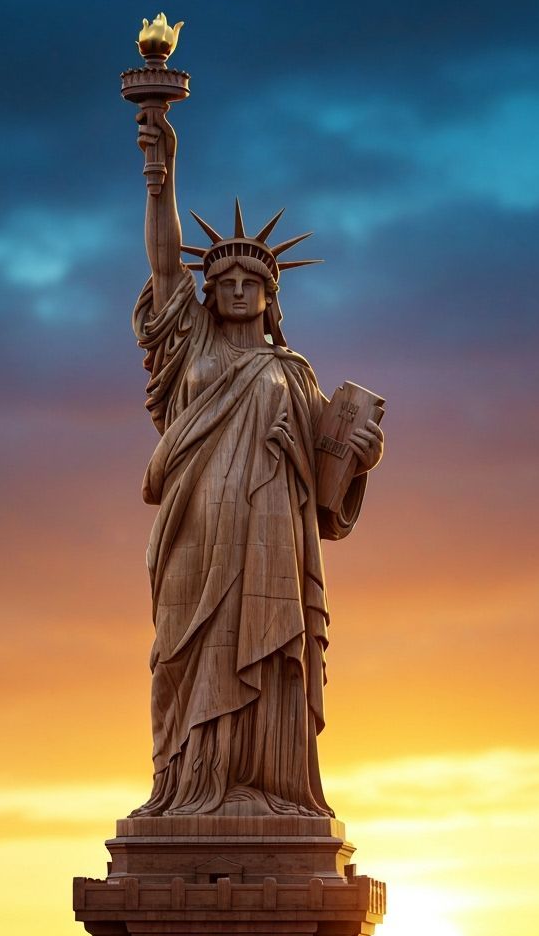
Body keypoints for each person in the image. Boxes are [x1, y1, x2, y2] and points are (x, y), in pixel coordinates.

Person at [129, 107, 383, 818]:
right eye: (225, 281)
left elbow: (327, 482)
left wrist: (361, 454)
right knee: (182, 650)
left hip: (272, 532)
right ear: (207, 296)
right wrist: (160, 171)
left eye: (253, 282)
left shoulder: (292, 372)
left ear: (272, 299)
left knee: (269, 657)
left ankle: (267, 788)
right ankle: (184, 787)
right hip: (196, 525)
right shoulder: (191, 350)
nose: (238, 288)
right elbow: (161, 261)